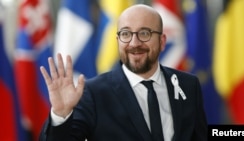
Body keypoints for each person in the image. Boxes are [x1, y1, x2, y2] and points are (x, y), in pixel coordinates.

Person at [39, 4, 207, 141]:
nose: (134, 43)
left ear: (162, 41)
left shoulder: (188, 85)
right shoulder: (93, 93)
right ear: (118, 40)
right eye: (126, 34)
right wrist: (60, 115)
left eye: (144, 33)